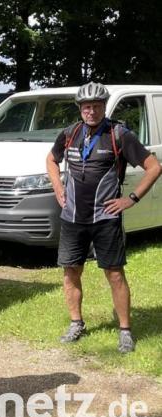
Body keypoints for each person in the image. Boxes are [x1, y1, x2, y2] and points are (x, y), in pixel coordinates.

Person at [46, 82, 161, 353]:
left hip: (105, 218)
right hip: (73, 217)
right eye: (87, 106)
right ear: (80, 108)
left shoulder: (119, 134)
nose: (92, 111)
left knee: (115, 274)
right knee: (71, 271)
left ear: (104, 107)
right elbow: (51, 160)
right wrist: (58, 187)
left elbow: (154, 167)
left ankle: (125, 331)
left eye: (97, 106)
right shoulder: (70, 133)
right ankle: (76, 323)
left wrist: (130, 199)